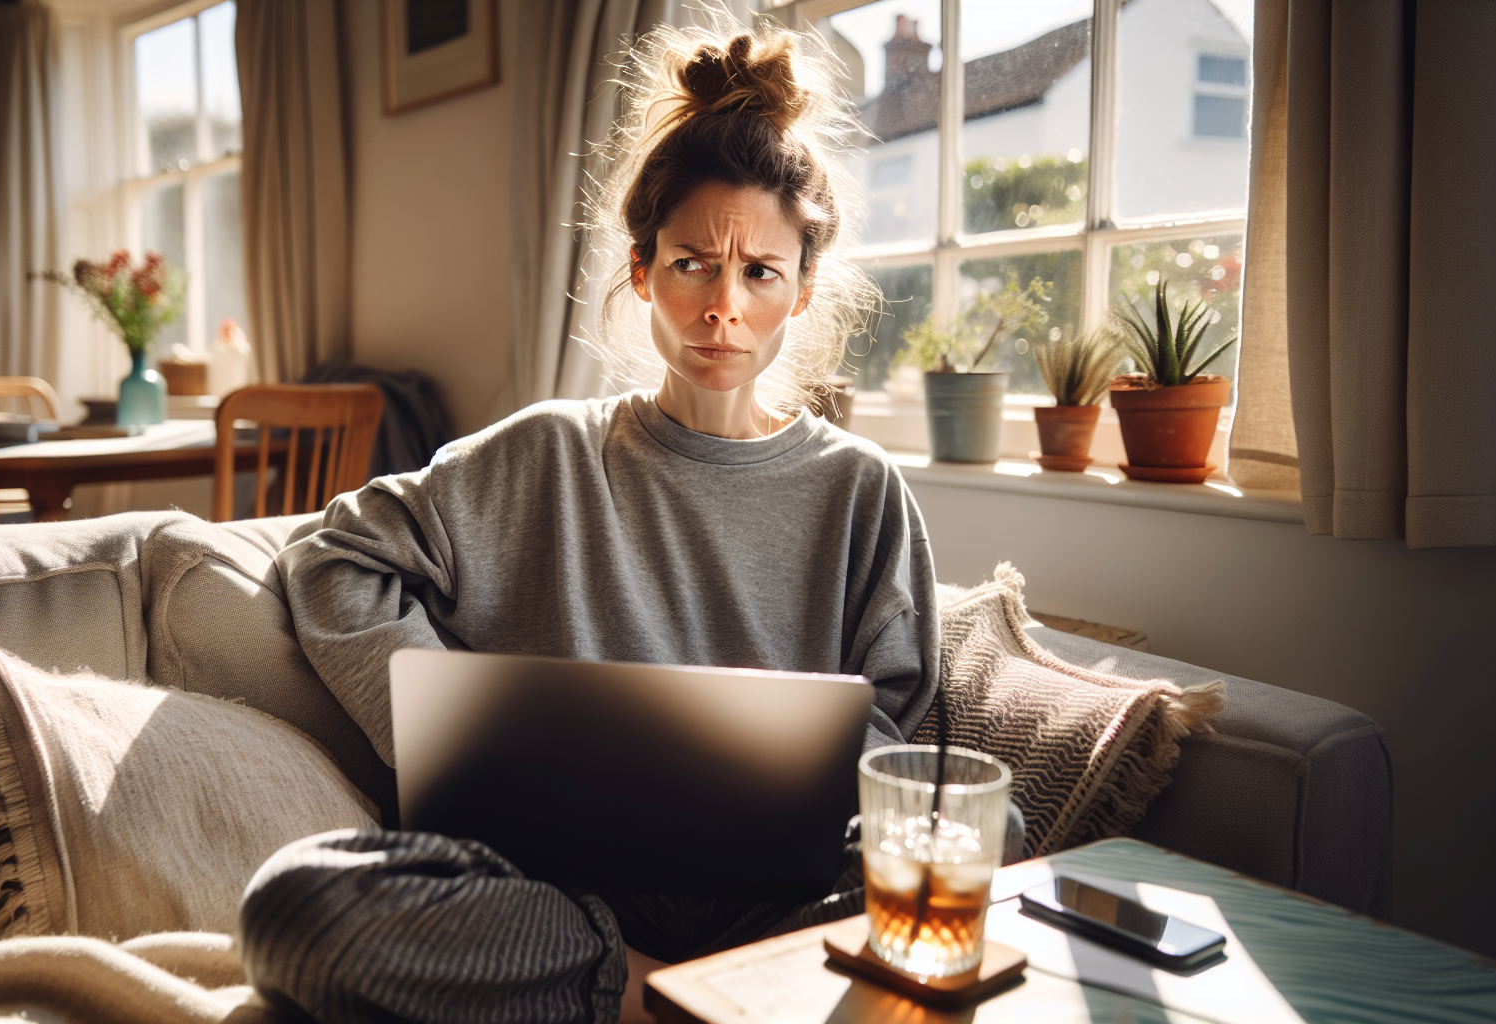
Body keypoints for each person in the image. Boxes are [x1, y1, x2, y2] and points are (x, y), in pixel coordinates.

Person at [241, 25, 1019, 1024]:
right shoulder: (541, 455)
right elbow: (331, 554)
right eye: (693, 264)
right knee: (301, 906)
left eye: (760, 274)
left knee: (995, 844)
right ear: (643, 270)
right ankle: (669, 999)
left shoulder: (861, 491)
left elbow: (889, 733)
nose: (722, 309)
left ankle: (705, 991)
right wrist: (435, 719)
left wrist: (786, 800)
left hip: (778, 900)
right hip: (560, 898)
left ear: (802, 290)